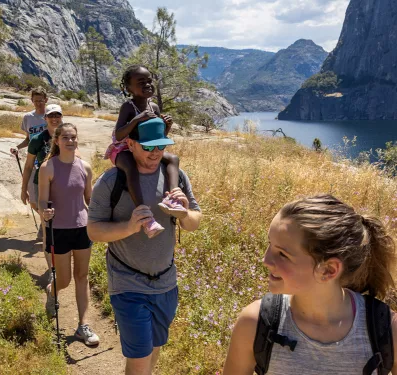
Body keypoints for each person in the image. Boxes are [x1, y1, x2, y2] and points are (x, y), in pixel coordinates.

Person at [223, 194, 397, 375]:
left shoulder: (386, 330)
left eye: (282, 254)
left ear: (329, 270)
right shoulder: (255, 323)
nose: (265, 260)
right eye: (269, 244)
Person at [88, 118, 202, 375]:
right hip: (127, 283)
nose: (155, 153)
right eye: (148, 146)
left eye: (160, 146)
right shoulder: (111, 181)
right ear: (130, 143)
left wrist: (184, 213)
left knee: (154, 349)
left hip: (166, 283)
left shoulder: (177, 177)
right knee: (139, 360)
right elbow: (93, 230)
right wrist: (128, 227)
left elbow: (194, 221)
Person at [104, 65, 186, 239]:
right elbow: (119, 134)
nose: (148, 84)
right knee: (130, 167)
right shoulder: (128, 106)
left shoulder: (154, 107)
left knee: (172, 158)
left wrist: (167, 127)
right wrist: (137, 119)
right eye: (141, 82)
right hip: (123, 147)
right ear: (129, 89)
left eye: (149, 80)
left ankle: (172, 198)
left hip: (146, 147)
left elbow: (157, 137)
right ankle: (146, 216)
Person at [38, 123, 100, 346]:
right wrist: (44, 212)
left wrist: (103, 217)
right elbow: (42, 199)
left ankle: (83, 326)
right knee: (63, 280)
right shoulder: (48, 167)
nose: (70, 141)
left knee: (82, 277)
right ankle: (51, 290)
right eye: (65, 137)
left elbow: (90, 199)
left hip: (82, 228)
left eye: (73, 137)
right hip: (59, 229)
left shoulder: (85, 167)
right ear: (57, 140)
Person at [11, 86, 48, 213]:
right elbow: (28, 139)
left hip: (49, 161)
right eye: (35, 100)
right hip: (33, 162)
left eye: (41, 100)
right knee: (33, 201)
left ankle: (48, 227)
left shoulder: (52, 115)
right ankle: (45, 224)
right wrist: (17, 147)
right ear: (32, 100)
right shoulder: (28, 117)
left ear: (46, 100)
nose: (38, 103)